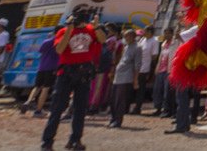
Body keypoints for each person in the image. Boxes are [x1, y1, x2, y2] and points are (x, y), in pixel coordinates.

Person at [41, 11, 105, 151]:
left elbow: (102, 40)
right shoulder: (63, 31)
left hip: (84, 72)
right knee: (57, 108)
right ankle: (47, 142)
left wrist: (97, 26)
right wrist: (69, 30)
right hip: (66, 73)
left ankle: (75, 140)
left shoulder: (91, 30)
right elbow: (59, 49)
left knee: (80, 109)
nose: (79, 21)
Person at [22, 29, 60, 117]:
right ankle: (38, 110)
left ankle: (28, 101)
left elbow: (41, 51)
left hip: (41, 67)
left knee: (37, 87)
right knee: (46, 89)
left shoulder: (46, 41)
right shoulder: (59, 42)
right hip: (52, 68)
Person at [109, 28, 140, 129]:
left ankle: (118, 120)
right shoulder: (126, 46)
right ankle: (113, 118)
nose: (125, 38)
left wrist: (135, 80)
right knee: (113, 99)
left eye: (127, 36)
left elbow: (137, 65)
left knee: (120, 100)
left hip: (126, 77)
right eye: (125, 36)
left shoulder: (137, 48)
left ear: (132, 36)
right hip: (118, 76)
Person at [151, 27, 180, 118]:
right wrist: (157, 68)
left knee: (168, 92)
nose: (166, 35)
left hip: (169, 70)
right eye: (165, 33)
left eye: (168, 33)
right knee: (158, 90)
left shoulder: (175, 43)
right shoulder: (163, 44)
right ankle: (159, 108)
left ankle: (168, 110)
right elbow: (161, 57)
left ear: (172, 34)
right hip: (161, 70)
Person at [131, 25, 157, 114]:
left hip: (144, 68)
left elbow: (154, 56)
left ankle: (137, 108)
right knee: (134, 88)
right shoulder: (143, 39)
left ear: (150, 32)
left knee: (140, 89)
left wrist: (151, 71)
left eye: (145, 31)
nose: (144, 33)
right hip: (137, 67)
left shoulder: (154, 41)